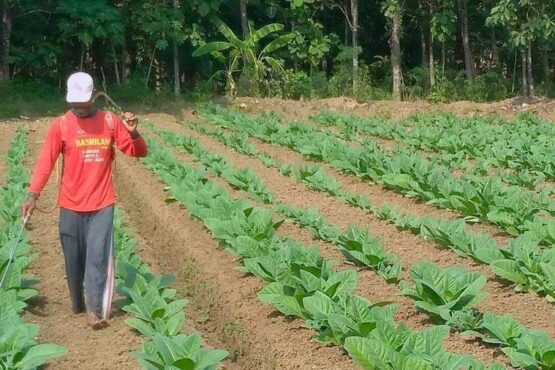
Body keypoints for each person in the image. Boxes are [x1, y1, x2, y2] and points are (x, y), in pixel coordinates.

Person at [21, 72, 148, 329]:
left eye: (83, 102)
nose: (79, 107)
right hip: (70, 205)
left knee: (97, 257)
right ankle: (78, 303)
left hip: (102, 203)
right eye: (74, 103)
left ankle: (95, 310)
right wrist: (32, 194)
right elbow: (46, 162)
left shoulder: (110, 122)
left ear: (93, 96)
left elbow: (138, 152)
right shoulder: (61, 125)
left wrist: (134, 134)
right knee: (74, 259)